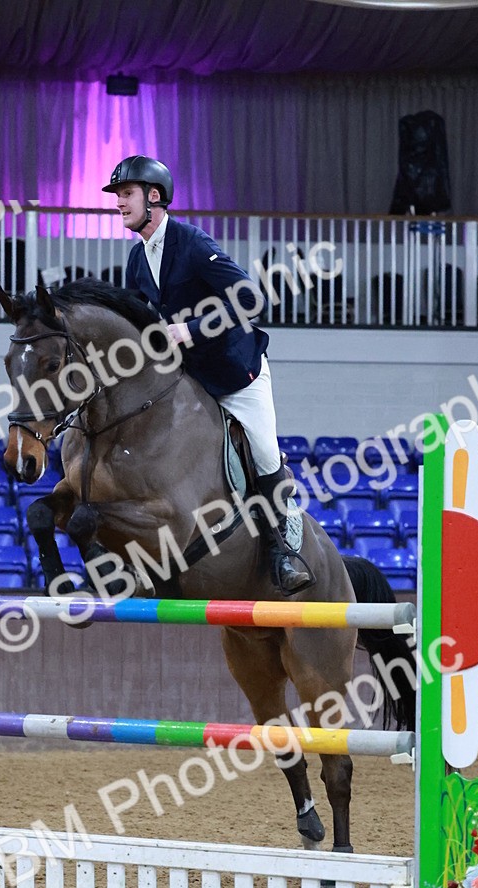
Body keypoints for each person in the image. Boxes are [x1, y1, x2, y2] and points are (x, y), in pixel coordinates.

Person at [102, 155, 310, 594]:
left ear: (153, 197)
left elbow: (251, 300)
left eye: (126, 195)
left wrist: (190, 329)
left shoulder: (193, 244)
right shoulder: (138, 261)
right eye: (118, 196)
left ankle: (281, 552)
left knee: (265, 454)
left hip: (238, 376)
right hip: (190, 382)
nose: (119, 203)